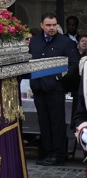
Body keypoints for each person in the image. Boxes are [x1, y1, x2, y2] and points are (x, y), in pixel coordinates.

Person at [28, 13, 80, 165]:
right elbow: (30, 60)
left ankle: (58, 154)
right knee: (43, 122)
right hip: (38, 88)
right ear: (42, 25)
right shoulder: (35, 41)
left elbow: (73, 64)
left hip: (55, 88)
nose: (52, 28)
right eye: (48, 25)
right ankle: (46, 152)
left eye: (54, 25)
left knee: (57, 122)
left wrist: (59, 78)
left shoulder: (65, 42)